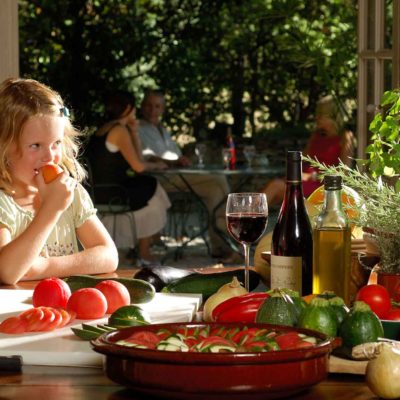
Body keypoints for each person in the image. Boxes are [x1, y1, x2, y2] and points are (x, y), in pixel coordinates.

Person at [0, 78, 118, 285]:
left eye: (56, 143)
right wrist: (51, 208)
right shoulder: (4, 204)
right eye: (35, 145)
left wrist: (44, 267)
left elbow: (109, 256)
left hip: (63, 311)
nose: (50, 156)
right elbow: (7, 271)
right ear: (4, 147)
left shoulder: (69, 192)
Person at [138, 89, 235, 260]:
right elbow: (145, 156)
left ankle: (220, 244)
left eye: (157, 106)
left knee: (214, 189)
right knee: (219, 178)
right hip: (159, 179)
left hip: (177, 175)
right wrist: (174, 162)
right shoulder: (137, 128)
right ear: (142, 106)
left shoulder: (163, 130)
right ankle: (230, 228)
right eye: (148, 105)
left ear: (162, 109)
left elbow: (176, 154)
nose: (152, 110)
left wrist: (184, 159)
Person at [85, 90, 170, 265]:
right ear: (128, 108)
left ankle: (149, 242)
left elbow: (137, 159)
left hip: (100, 190)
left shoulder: (105, 128)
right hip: (112, 193)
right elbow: (139, 166)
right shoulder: (118, 130)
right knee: (152, 188)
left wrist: (135, 132)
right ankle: (145, 250)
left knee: (150, 186)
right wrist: (157, 165)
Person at [262, 95, 355, 207]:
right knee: (275, 189)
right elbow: (302, 159)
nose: (317, 118)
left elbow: (343, 174)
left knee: (275, 186)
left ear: (334, 117)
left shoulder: (345, 137)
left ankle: (249, 216)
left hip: (321, 186)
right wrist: (295, 173)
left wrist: (312, 177)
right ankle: (253, 216)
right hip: (303, 180)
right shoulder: (316, 135)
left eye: (321, 115)